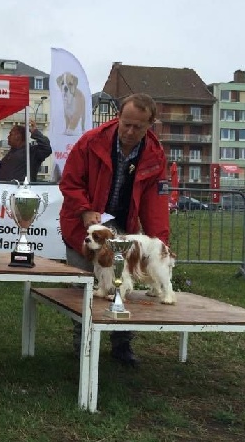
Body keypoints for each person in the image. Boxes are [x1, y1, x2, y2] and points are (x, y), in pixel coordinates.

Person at [59, 93, 169, 368]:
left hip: (122, 229)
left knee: (121, 286)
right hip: (82, 226)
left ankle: (122, 345)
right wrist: (85, 210)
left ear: (151, 124)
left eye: (138, 127)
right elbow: (70, 182)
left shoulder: (155, 155)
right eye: (126, 124)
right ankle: (81, 346)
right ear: (118, 117)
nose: (130, 131)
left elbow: (155, 202)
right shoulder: (90, 142)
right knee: (84, 288)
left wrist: (160, 245)